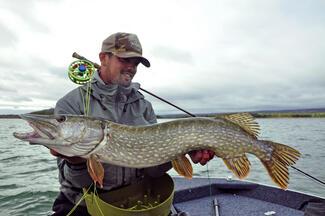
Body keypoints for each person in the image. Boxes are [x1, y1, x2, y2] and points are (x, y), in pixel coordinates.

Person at [50, 32, 214, 215]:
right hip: (83, 204)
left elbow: (152, 171)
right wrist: (76, 163)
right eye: (124, 60)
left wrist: (181, 151)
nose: (131, 67)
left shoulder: (143, 106)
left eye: (135, 63)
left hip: (136, 197)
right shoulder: (72, 103)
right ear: (104, 58)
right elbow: (76, 182)